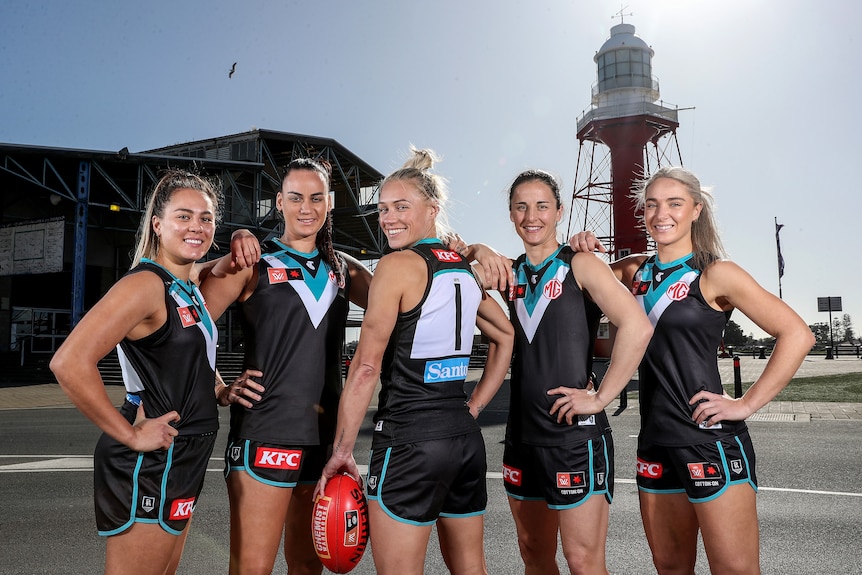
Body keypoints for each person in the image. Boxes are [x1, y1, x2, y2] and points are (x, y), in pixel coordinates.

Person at [569, 166, 814, 575]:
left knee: (734, 569)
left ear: (696, 210)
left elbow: (796, 334)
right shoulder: (632, 272)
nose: (661, 213)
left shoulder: (716, 273)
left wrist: (745, 403)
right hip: (655, 442)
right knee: (670, 567)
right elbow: (570, 289)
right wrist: (576, 248)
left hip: (709, 440)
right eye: (652, 205)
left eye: (674, 203)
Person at [314, 147, 515, 575]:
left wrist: (342, 450)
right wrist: (473, 407)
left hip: (408, 444)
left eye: (402, 207)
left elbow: (366, 367)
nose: (388, 218)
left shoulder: (397, 265)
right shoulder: (462, 267)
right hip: (463, 441)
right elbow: (505, 334)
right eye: (384, 208)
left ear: (432, 210)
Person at [463, 169, 652, 574]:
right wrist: (479, 248)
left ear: (560, 211)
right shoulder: (508, 274)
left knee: (582, 561)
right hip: (522, 438)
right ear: (511, 215)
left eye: (542, 206)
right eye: (521, 206)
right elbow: (452, 264)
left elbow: (637, 326)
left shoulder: (579, 264)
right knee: (534, 555)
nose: (532, 216)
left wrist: (601, 397)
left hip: (575, 438)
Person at [198, 158, 372, 575]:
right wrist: (220, 387)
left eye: (316, 197)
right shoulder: (252, 263)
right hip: (263, 436)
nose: (306, 207)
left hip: (325, 443)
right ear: (279, 202)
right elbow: (187, 326)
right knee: (252, 568)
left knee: (308, 564)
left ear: (329, 204)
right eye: (295, 197)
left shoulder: (343, 269)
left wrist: (467, 253)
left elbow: (411, 289)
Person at [49, 169, 223, 575]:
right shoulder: (144, 284)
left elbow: (188, 358)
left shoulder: (185, 284)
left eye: (206, 217)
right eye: (184, 216)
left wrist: (219, 389)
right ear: (157, 225)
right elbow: (69, 362)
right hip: (153, 462)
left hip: (187, 452)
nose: (197, 226)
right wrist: (128, 434)